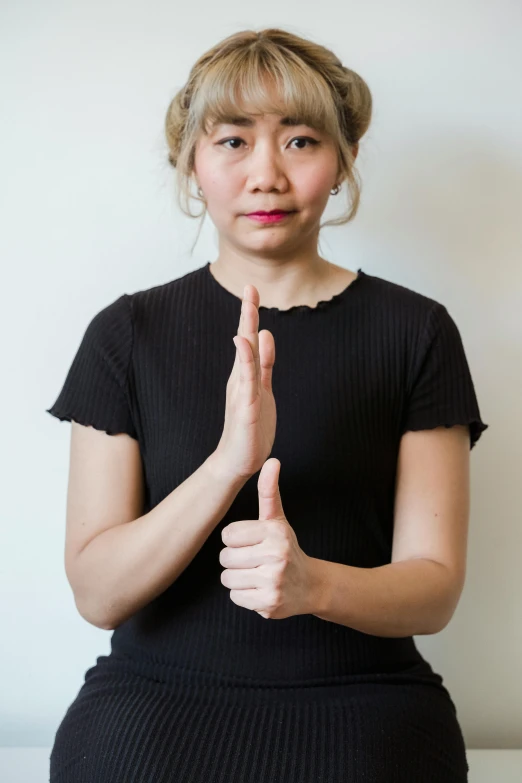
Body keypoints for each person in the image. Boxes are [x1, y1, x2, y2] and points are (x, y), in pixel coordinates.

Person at [45, 27, 489, 783]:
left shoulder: (416, 331)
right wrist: (227, 464)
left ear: (342, 161)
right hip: (155, 698)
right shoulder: (126, 334)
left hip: (364, 699)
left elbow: (434, 586)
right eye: (232, 142)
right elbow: (97, 591)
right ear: (192, 162)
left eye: (301, 140)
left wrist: (314, 584)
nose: (265, 175)